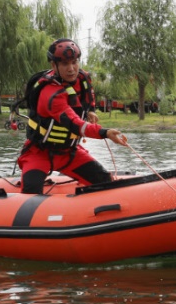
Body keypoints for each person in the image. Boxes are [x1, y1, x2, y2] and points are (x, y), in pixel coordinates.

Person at [17, 38, 129, 193]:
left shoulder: (82, 78)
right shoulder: (50, 93)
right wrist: (105, 132)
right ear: (53, 65)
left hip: (69, 152)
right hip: (39, 152)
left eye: (74, 62)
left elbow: (89, 96)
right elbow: (76, 124)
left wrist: (91, 110)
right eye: (64, 64)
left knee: (105, 182)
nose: (71, 69)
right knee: (30, 194)